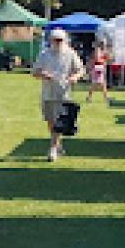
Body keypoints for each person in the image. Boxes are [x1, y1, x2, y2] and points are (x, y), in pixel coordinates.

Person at [33, 27, 84, 161]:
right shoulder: (44, 54)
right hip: (48, 93)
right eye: (56, 40)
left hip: (64, 93)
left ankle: (53, 148)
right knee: (50, 121)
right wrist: (44, 74)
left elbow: (80, 70)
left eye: (60, 40)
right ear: (51, 40)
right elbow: (35, 71)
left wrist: (74, 77)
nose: (58, 42)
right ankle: (57, 144)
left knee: (59, 121)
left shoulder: (70, 53)